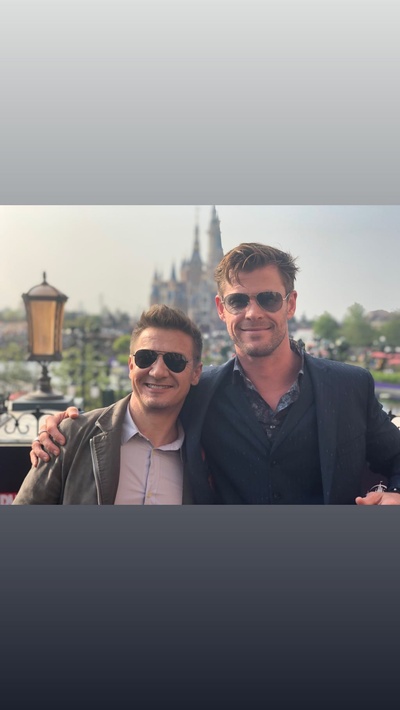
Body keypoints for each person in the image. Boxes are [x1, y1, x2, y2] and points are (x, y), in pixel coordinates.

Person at [29, 243, 400, 505]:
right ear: (222, 309)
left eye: (268, 298)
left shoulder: (349, 386)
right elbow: (146, 396)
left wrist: (395, 495)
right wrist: (66, 427)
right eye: (239, 300)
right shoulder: (198, 390)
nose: (253, 312)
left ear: (290, 304)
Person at [13, 304, 214, 505]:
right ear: (131, 366)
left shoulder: (206, 457)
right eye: (146, 358)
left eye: (175, 361)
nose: (158, 372)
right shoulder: (70, 436)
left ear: (196, 373)